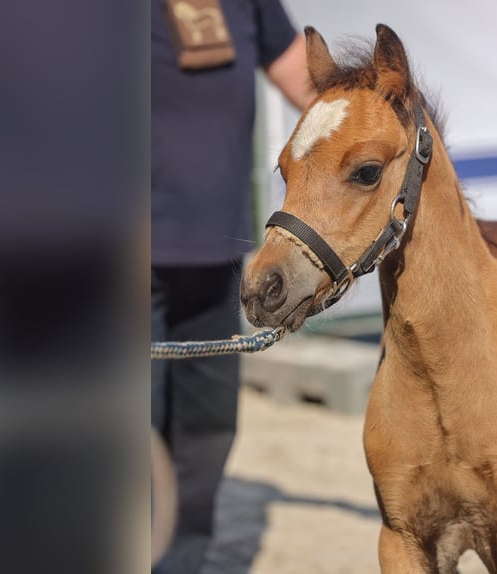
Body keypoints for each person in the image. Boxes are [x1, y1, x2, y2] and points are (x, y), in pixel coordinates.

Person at [151, 1, 314, 572]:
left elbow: (302, 77)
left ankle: (180, 562)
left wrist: (370, 121)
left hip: (216, 250)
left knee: (208, 425)